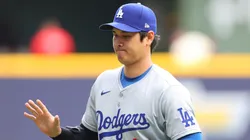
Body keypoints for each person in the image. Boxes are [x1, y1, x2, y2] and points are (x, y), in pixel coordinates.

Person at [24, 3, 202, 140]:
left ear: (148, 38)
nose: (118, 42)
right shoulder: (104, 82)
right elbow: (89, 136)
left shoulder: (168, 90)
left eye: (126, 36)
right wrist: (58, 133)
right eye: (115, 34)